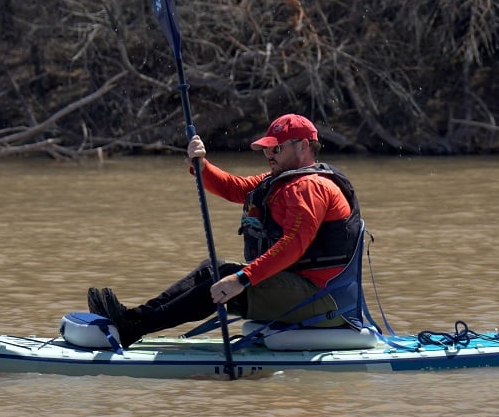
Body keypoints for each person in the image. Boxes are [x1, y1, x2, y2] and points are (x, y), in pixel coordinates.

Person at [87, 113, 362, 348]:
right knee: (213, 268)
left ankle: (132, 328)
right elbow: (234, 188)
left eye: (276, 149)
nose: (268, 155)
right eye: (266, 149)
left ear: (303, 146)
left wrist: (243, 278)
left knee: (225, 278)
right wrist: (202, 166)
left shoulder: (311, 187)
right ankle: (134, 320)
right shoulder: (280, 182)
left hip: (323, 300)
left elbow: (293, 246)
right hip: (298, 289)